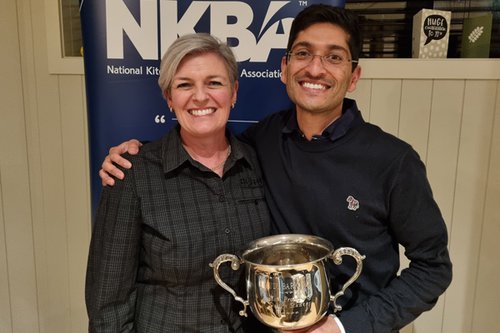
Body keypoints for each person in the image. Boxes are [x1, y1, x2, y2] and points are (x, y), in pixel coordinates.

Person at [98, 5, 452, 333]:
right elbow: (199, 138)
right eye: (303, 53)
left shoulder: (393, 161)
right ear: (284, 68)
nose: (315, 68)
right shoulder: (261, 142)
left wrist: (346, 327)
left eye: (334, 57)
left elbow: (433, 267)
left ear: (354, 75)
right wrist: (137, 151)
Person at [85, 33, 272, 332]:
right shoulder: (132, 174)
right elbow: (108, 304)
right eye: (185, 85)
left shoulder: (260, 163)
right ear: (169, 98)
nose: (200, 96)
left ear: (234, 92)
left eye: (214, 83)